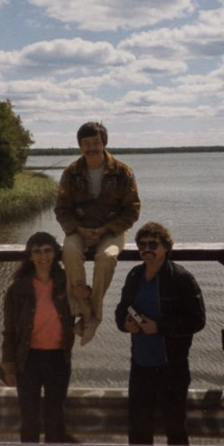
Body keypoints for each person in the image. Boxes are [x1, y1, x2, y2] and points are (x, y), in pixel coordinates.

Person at [114, 221, 205, 446]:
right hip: (140, 367)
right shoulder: (135, 275)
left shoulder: (181, 278)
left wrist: (159, 328)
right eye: (142, 245)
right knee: (138, 432)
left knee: (175, 430)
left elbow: (197, 320)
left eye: (153, 244)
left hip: (172, 369)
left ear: (165, 247)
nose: (147, 250)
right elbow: (120, 312)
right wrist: (126, 324)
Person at [55, 121, 141, 346]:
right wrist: (78, 229)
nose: (91, 147)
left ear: (104, 143)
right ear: (80, 146)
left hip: (112, 230)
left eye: (96, 142)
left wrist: (105, 230)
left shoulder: (123, 172)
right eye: (86, 143)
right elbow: (62, 209)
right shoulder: (71, 173)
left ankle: (93, 315)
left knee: (106, 257)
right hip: (79, 229)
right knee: (70, 252)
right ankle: (83, 310)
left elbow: (132, 210)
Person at [1, 232, 75, 443]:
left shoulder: (67, 282)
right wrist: (9, 367)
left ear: (55, 253)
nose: (43, 256)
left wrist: (85, 294)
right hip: (28, 360)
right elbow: (9, 331)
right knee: (29, 417)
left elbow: (85, 313)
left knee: (56, 417)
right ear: (30, 256)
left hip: (58, 359)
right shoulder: (18, 290)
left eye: (48, 250)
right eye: (37, 252)